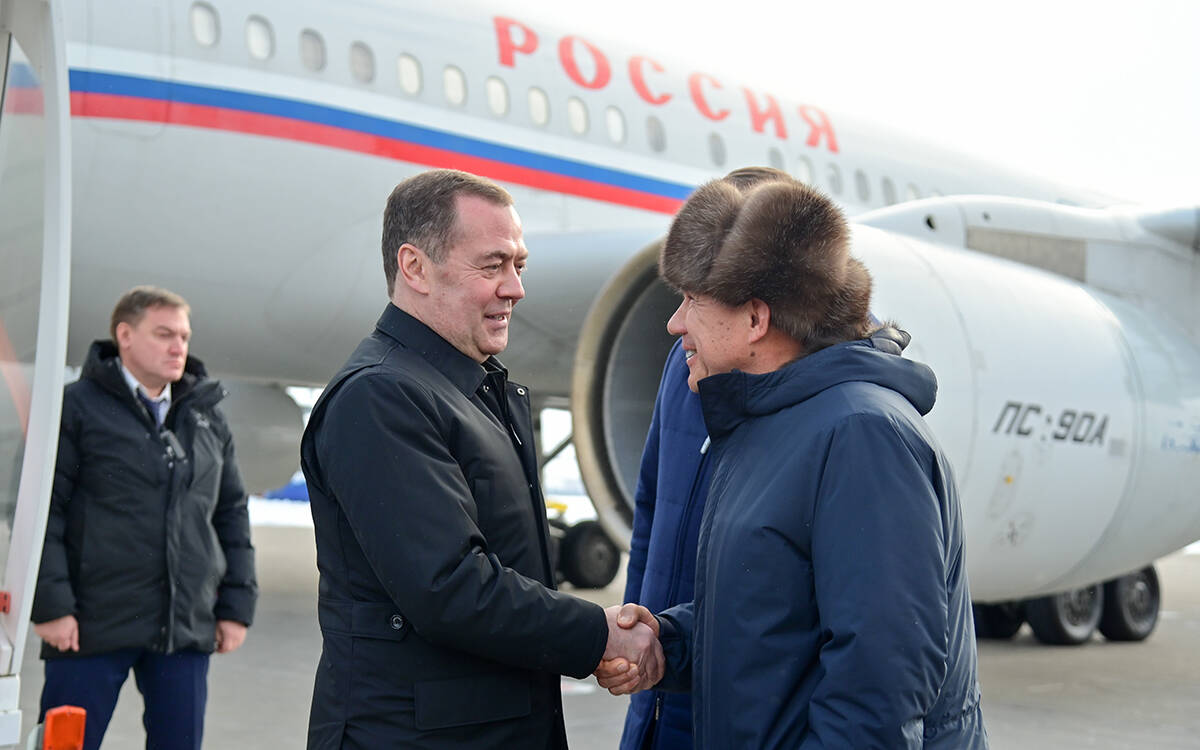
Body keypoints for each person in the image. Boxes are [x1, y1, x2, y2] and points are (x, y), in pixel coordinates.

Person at [600, 177, 988, 747]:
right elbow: (774, 616)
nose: (675, 323)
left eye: (692, 300)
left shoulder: (862, 435)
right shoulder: (772, 427)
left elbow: (877, 688)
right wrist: (668, 641)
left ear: (756, 319)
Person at [301, 169, 660, 749]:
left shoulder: (471, 390)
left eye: (519, 266)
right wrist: (599, 635)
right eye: (492, 266)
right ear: (415, 268)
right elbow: (450, 587)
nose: (515, 288)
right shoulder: (382, 395)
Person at [32, 286, 257, 750]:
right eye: (164, 334)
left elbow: (231, 512)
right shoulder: (74, 409)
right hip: (89, 627)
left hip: (182, 628)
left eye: (184, 336)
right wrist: (51, 606)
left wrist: (236, 606)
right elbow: (42, 511)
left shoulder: (206, 417)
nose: (179, 347)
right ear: (125, 336)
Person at [619, 166, 795, 750]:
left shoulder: (835, 411)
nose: (676, 322)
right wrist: (636, 631)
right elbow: (652, 506)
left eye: (695, 297)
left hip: (740, 709)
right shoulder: (684, 363)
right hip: (661, 686)